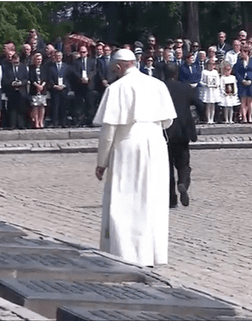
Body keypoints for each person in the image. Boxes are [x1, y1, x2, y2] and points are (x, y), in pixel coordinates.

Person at [92, 49, 177, 267]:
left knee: (126, 199)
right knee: (153, 198)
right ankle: (153, 253)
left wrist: (102, 162)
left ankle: (126, 252)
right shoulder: (157, 84)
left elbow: (108, 131)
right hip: (156, 142)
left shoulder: (117, 88)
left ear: (119, 67)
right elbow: (168, 121)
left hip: (127, 143)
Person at [163, 63, 198, 208]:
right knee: (183, 163)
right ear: (176, 73)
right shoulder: (185, 88)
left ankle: (171, 199)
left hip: (165, 132)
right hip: (183, 131)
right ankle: (183, 182)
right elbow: (199, 103)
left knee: (167, 167)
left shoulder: (160, 88)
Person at [2, 53, 28, 129]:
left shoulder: (23, 67)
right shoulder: (7, 68)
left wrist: (21, 83)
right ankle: (12, 125)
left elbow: (26, 78)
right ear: (12, 60)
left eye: (17, 62)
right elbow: (4, 79)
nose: (16, 63)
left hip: (21, 91)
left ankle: (21, 124)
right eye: (14, 62)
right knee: (12, 109)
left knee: (21, 109)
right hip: (11, 91)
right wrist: (11, 83)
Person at [233, 45, 252, 123]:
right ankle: (244, 118)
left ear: (247, 52)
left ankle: (250, 117)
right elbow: (236, 72)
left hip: (251, 83)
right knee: (243, 101)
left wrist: (251, 80)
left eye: (243, 52)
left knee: (250, 101)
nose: (241, 54)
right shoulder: (239, 61)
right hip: (242, 83)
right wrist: (241, 80)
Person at [48, 51, 71, 127]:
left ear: (62, 57)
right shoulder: (51, 67)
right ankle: (55, 122)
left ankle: (63, 122)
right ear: (54, 57)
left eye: (59, 56)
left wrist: (64, 85)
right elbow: (49, 78)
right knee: (55, 106)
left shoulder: (66, 66)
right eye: (56, 56)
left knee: (63, 106)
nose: (58, 57)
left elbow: (68, 78)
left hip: (64, 89)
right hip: (55, 89)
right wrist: (54, 85)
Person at [28, 53, 48, 129]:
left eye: (40, 59)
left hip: (43, 89)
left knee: (42, 106)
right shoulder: (31, 68)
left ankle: (41, 121)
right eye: (37, 59)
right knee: (35, 106)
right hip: (34, 89)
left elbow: (46, 78)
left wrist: (42, 86)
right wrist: (37, 85)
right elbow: (30, 78)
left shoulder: (44, 68)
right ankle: (36, 122)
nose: (39, 61)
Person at [200, 59, 220, 124]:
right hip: (207, 90)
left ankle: (212, 119)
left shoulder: (215, 72)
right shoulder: (204, 72)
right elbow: (201, 81)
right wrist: (206, 85)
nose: (211, 66)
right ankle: (208, 119)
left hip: (214, 90)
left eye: (213, 64)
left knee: (213, 105)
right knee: (208, 105)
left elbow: (218, 81)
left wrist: (217, 84)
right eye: (210, 64)